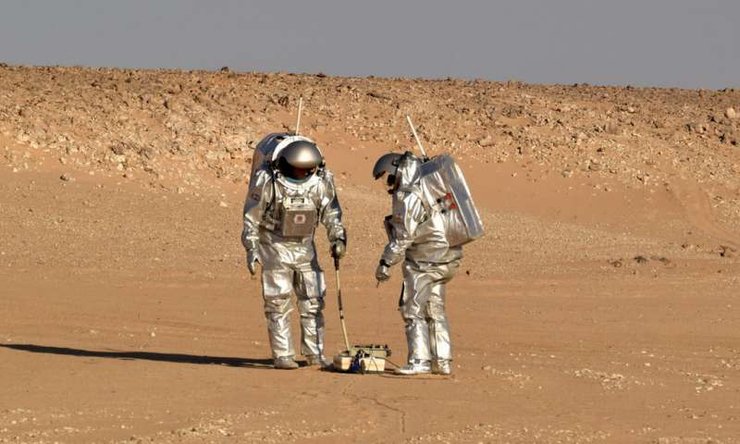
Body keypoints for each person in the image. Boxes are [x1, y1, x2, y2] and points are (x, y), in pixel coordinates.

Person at [242, 138, 346, 370]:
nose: (301, 173)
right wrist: (251, 248)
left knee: (313, 301)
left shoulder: (320, 182)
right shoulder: (269, 181)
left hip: (305, 246)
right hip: (274, 245)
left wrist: (338, 238)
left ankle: (315, 353)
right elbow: (251, 217)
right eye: (297, 169)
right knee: (278, 301)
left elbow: (331, 213)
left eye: (305, 169)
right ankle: (282, 355)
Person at [372, 151, 462, 375]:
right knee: (435, 309)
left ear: (397, 171)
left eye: (389, 178)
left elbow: (404, 236)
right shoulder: (427, 187)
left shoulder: (408, 196)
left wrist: (385, 262)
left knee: (412, 309)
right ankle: (442, 361)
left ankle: (420, 360)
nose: (388, 184)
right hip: (447, 255)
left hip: (424, 259)